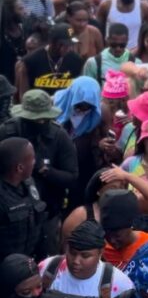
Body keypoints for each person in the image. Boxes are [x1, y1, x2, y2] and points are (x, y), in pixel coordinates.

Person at [0, 90, 78, 248]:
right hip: (7, 215)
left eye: (44, 119)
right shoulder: (7, 131)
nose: (39, 123)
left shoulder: (58, 136)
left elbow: (71, 177)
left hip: (46, 212)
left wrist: (45, 170)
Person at [39, 221, 133, 298]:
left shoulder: (119, 283)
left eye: (85, 256)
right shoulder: (48, 269)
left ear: (100, 253)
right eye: (72, 253)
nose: (76, 261)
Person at [53, 76, 103, 208]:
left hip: (82, 170)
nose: (83, 110)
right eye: (79, 105)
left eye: (88, 107)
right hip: (56, 167)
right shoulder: (55, 104)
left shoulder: (97, 117)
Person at [0, 138, 47, 264]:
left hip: (30, 261)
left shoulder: (29, 183)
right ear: (20, 168)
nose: (34, 162)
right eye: (32, 159)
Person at [16, 23, 83, 97]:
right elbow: (23, 95)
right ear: (53, 42)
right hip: (37, 106)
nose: (69, 48)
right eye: (65, 44)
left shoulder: (76, 61)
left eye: (71, 44)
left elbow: (77, 92)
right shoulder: (30, 61)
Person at [100, 189, 148, 270]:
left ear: (130, 225)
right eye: (107, 235)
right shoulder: (101, 249)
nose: (112, 241)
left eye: (117, 235)